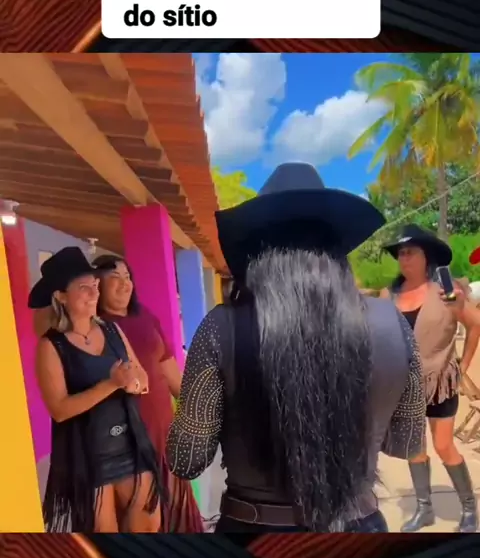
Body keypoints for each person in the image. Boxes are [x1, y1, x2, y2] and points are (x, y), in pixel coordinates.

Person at [166, 163, 427, 536]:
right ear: (337, 251)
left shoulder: (220, 329)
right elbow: (406, 443)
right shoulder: (393, 323)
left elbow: (186, 459)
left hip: (254, 534)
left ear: (256, 254)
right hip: (359, 528)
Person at [29, 247, 164, 533]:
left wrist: (133, 383)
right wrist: (112, 384)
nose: (94, 293)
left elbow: (141, 377)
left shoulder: (113, 331)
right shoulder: (51, 346)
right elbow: (60, 410)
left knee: (149, 528)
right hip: (87, 456)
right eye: (84, 288)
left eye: (95, 285)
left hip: (130, 446)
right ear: (60, 296)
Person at [92, 254, 204, 533]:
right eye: (114, 278)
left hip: (164, 433)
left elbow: (170, 374)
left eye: (127, 277)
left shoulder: (146, 317)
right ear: (97, 285)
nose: (124, 284)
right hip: (125, 440)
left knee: (176, 512)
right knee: (143, 518)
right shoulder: (92, 328)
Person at [380, 224, 479, 533]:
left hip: (440, 383)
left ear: (427, 256)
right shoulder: (389, 295)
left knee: (444, 445)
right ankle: (424, 510)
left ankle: (469, 509)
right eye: (400, 254)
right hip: (404, 384)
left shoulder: (446, 289)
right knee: (415, 447)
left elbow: (475, 324)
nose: (404, 258)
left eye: (410, 252)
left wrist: (463, 366)